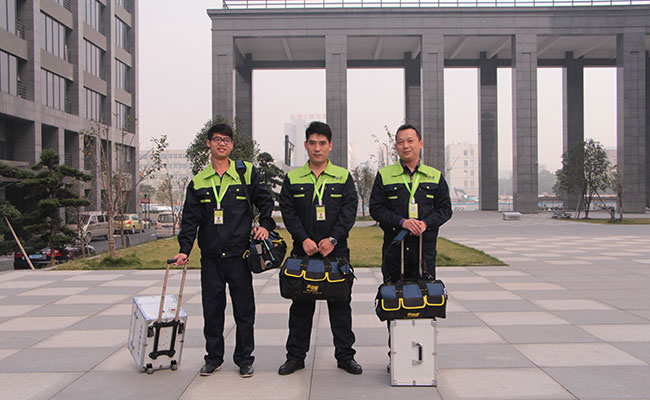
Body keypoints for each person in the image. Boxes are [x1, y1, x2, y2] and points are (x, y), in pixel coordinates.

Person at [174, 123, 275, 378]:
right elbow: (190, 220)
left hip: (240, 257)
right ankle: (213, 358)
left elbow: (265, 201)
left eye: (227, 140)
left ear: (231, 145)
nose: (222, 143)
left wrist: (265, 225)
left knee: (244, 311)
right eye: (217, 139)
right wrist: (184, 249)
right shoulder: (198, 181)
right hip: (210, 259)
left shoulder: (246, 173)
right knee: (212, 310)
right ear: (208, 143)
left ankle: (244, 359)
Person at [278, 121, 362, 376]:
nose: (317, 148)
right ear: (305, 146)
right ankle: (295, 357)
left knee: (340, 306)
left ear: (330, 146)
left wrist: (333, 239)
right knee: (301, 307)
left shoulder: (343, 177)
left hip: (335, 253)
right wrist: (303, 238)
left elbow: (349, 212)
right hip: (304, 252)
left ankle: (346, 357)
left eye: (322, 143)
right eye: (312, 143)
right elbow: (288, 212)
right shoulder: (293, 177)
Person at [369, 123, 452, 283]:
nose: (405, 146)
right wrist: (403, 222)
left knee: (424, 300)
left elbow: (445, 209)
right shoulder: (384, 175)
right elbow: (376, 209)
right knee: (393, 300)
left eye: (410, 141)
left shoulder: (434, 176)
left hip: (424, 252)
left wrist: (426, 223)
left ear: (420, 144)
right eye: (400, 142)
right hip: (394, 250)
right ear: (396, 147)